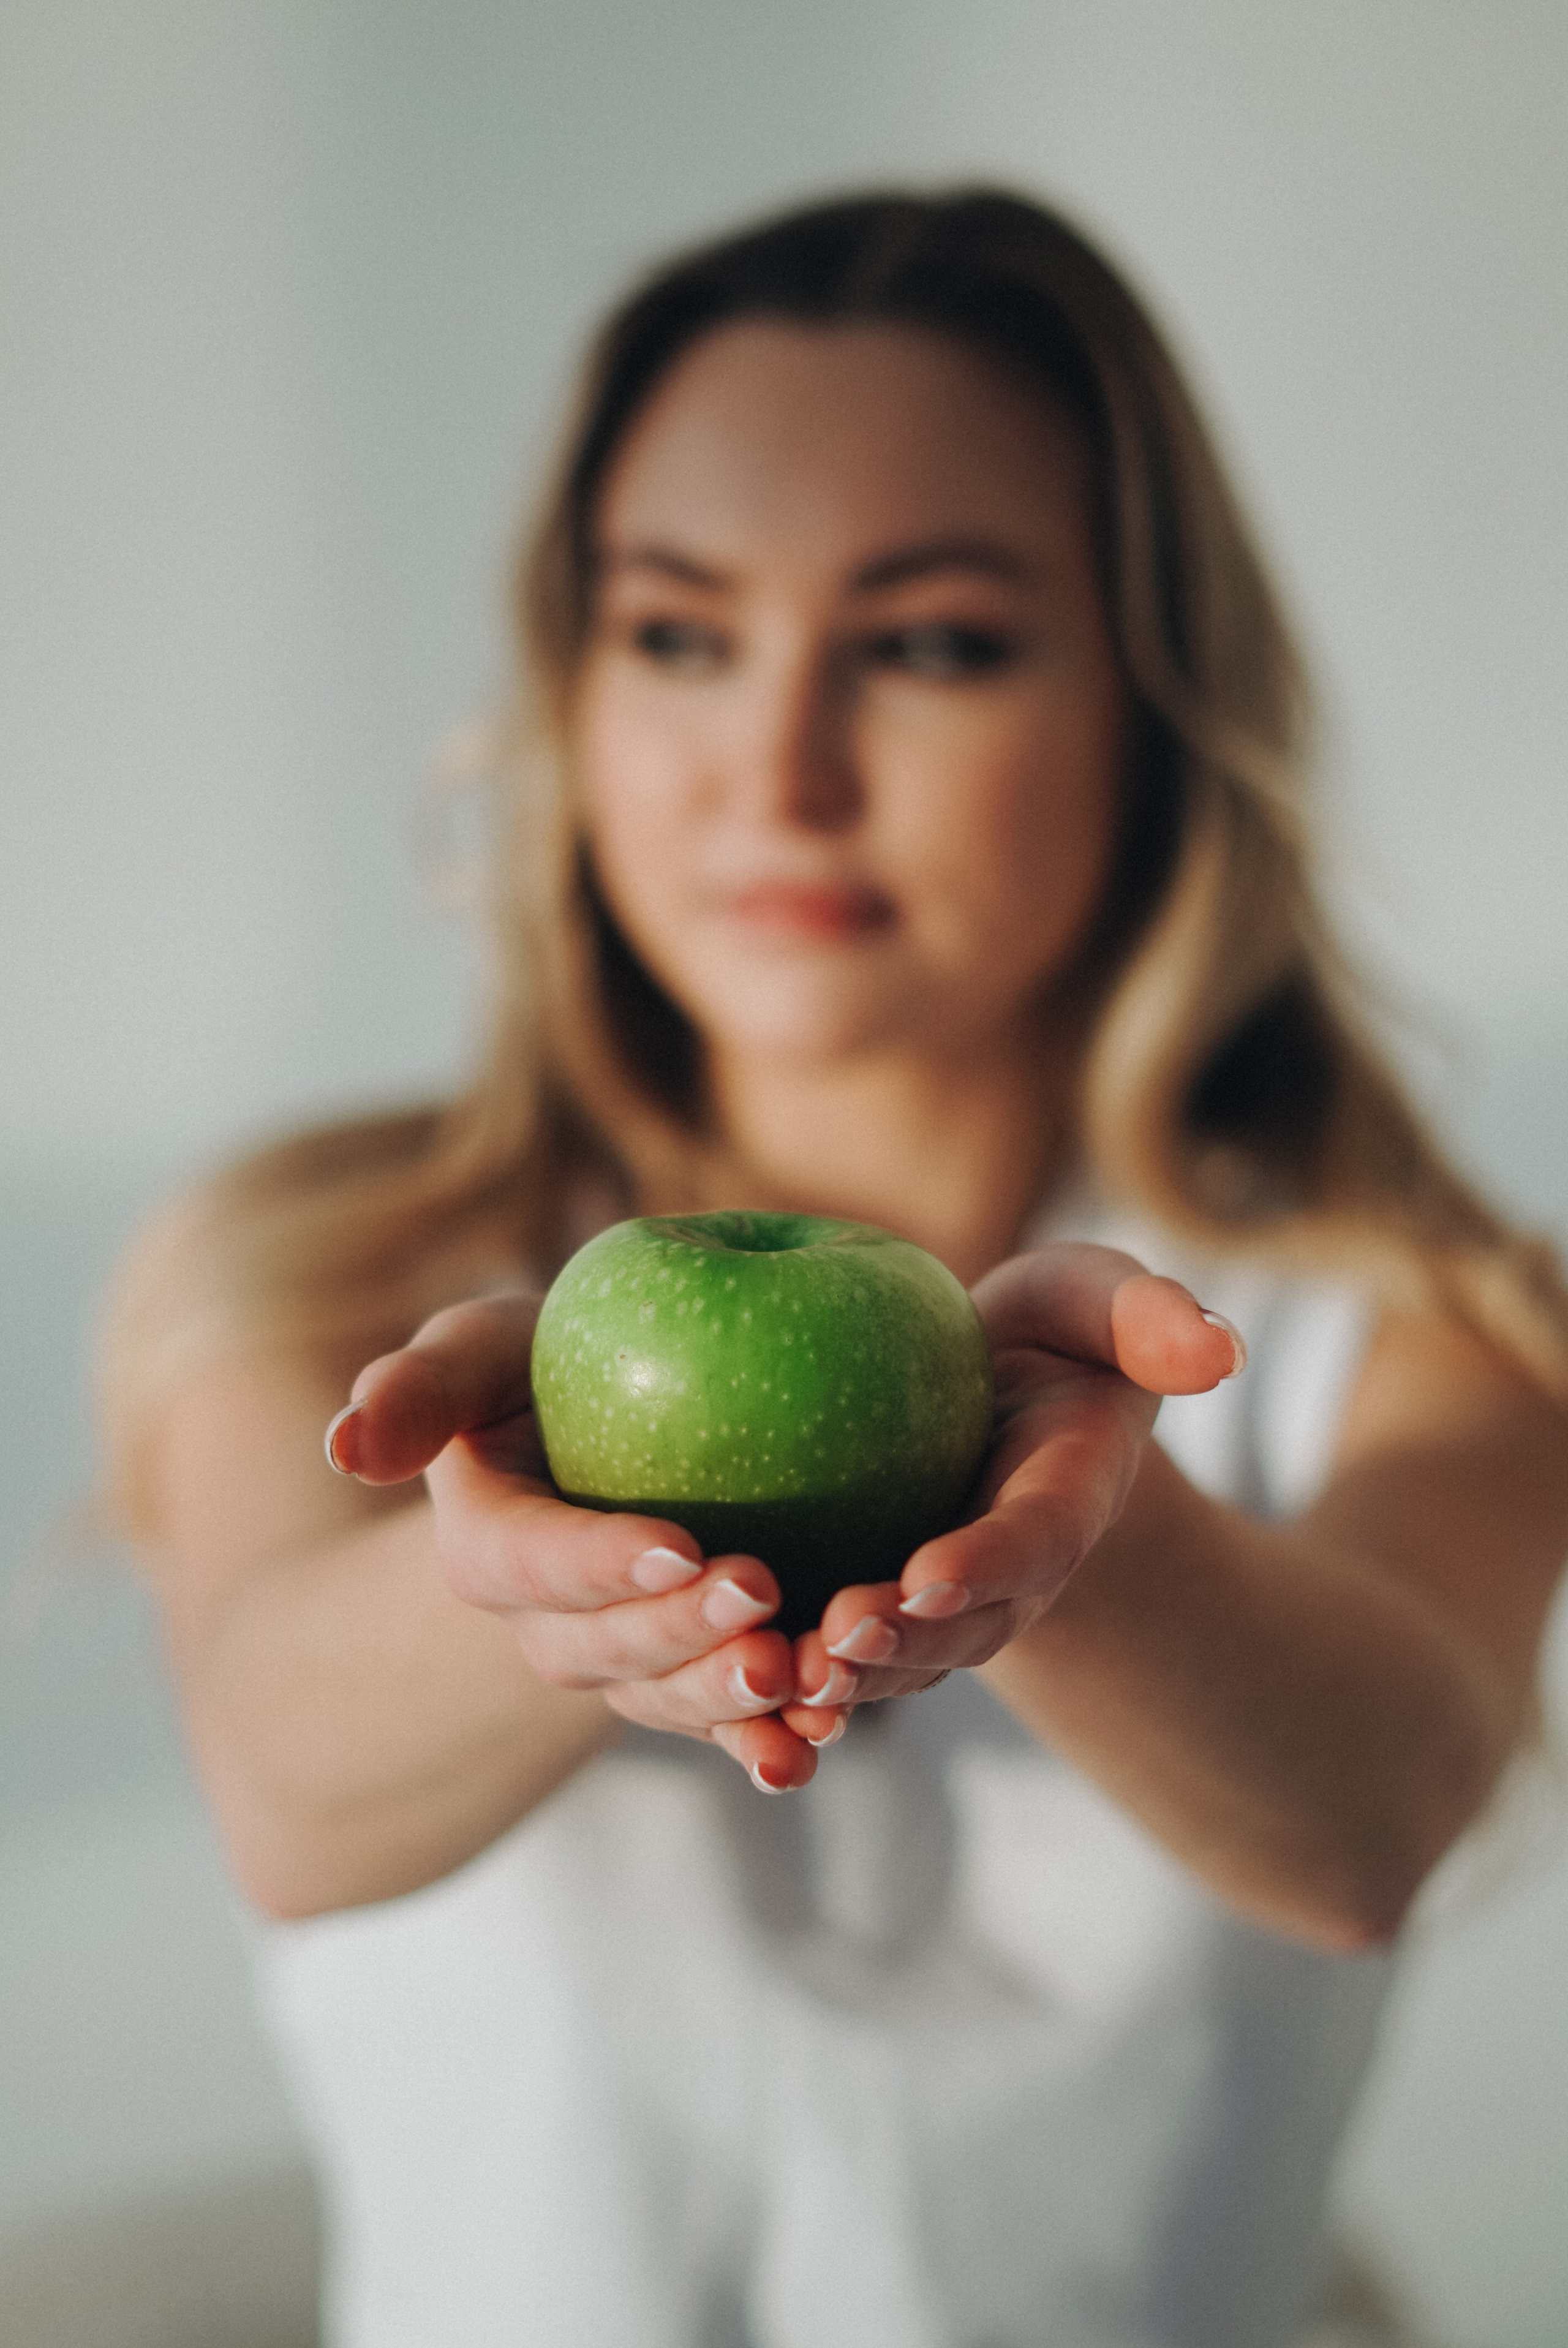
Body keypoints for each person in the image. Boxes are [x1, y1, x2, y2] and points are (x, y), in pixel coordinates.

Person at [101, 187, 1568, 2348]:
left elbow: (1373, 1818)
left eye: (933, 642)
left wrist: (1080, 1531)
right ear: (573, 689)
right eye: (678, 632)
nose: (776, 775)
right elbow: (287, 1795)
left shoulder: (1410, 1314)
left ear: (1150, 709)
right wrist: (525, 1561)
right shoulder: (325, 1264)